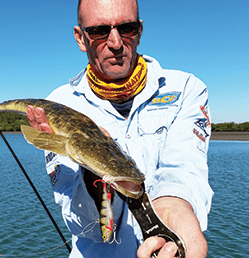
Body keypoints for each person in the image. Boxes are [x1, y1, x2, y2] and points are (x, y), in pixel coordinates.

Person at [27, 0, 213, 257]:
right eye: (99, 31)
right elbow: (88, 229)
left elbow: (183, 169)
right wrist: (94, 181)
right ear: (80, 38)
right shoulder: (59, 106)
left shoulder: (186, 89)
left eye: (127, 27)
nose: (115, 43)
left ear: (139, 30)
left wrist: (173, 207)